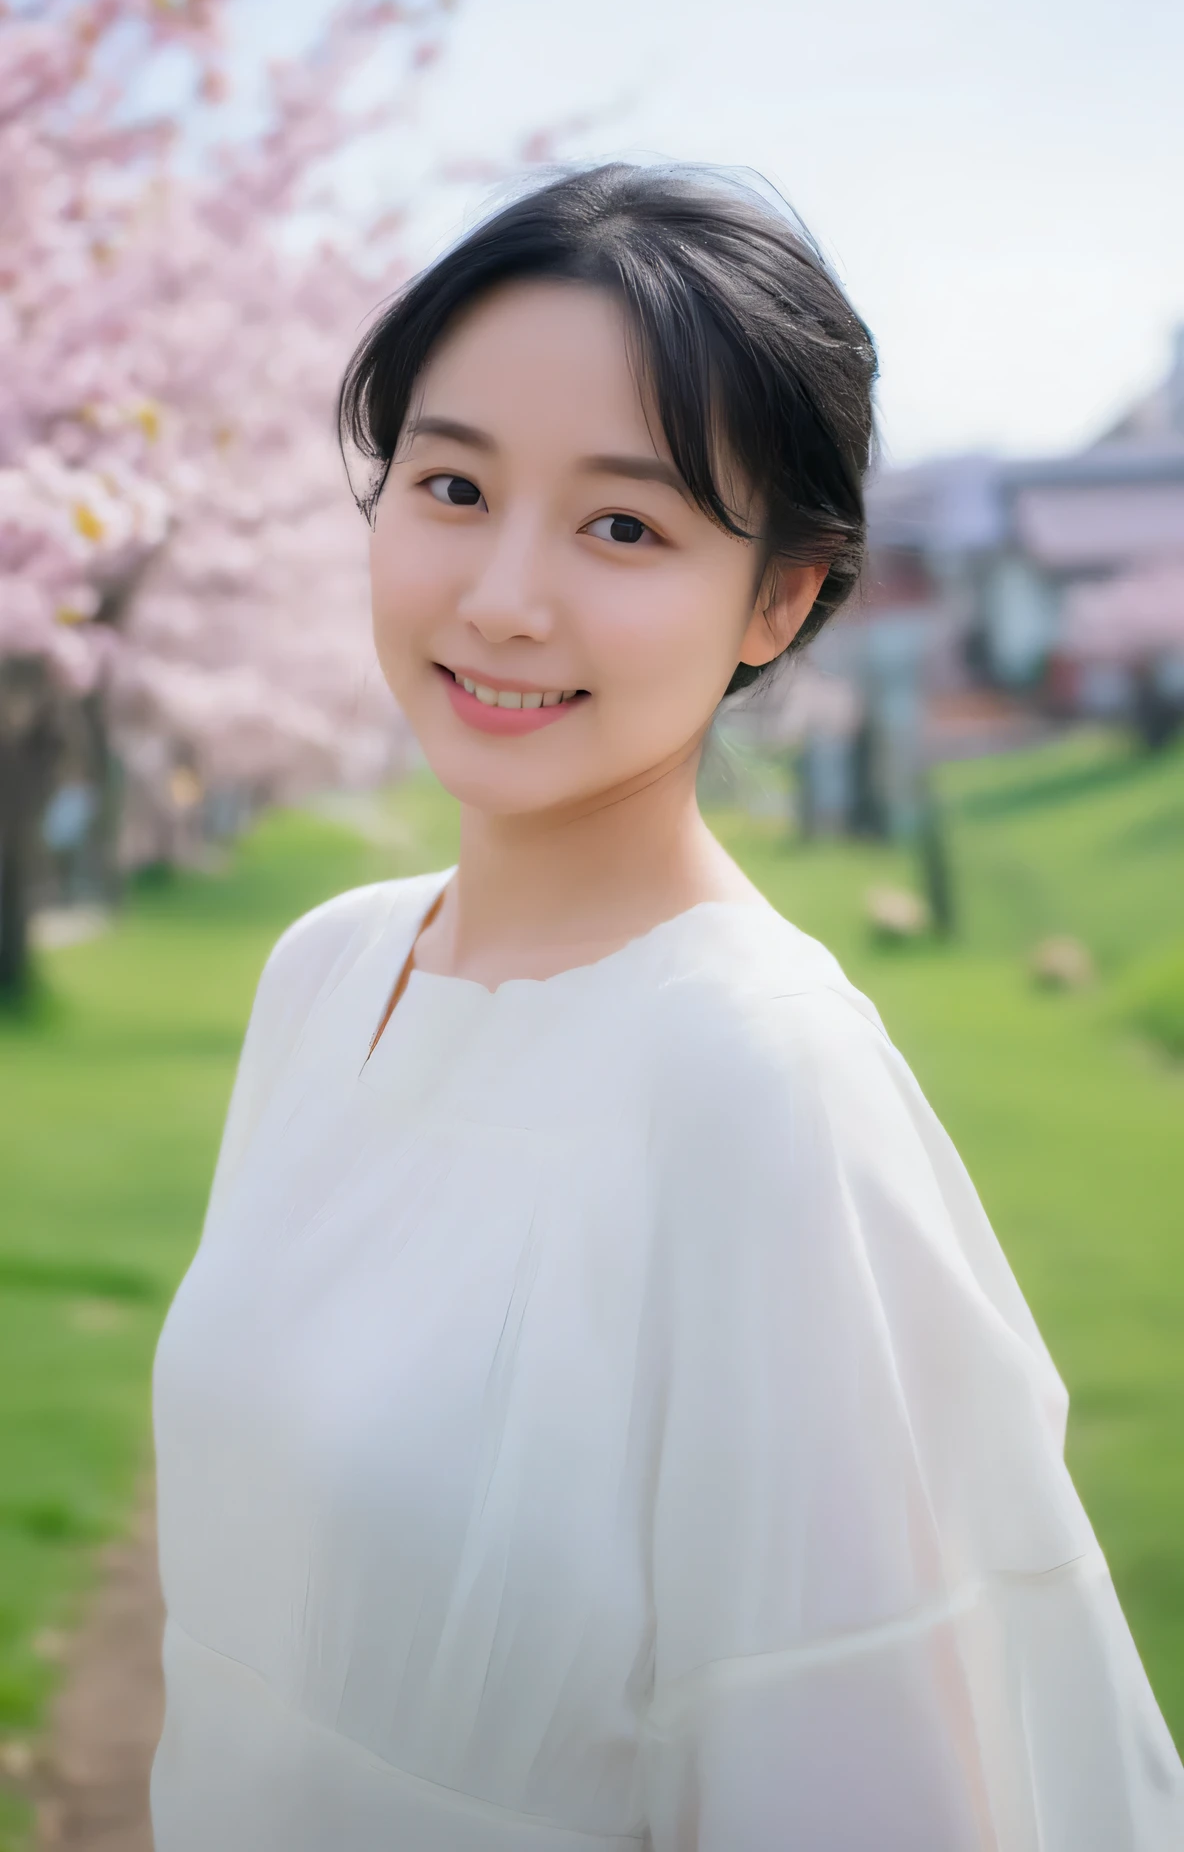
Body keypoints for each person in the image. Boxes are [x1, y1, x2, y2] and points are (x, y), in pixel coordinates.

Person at [150, 164, 1184, 1849]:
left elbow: (855, 1769)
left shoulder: (753, 1081)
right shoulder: (329, 973)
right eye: (454, 485)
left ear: (781, 599)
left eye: (623, 524)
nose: (503, 597)